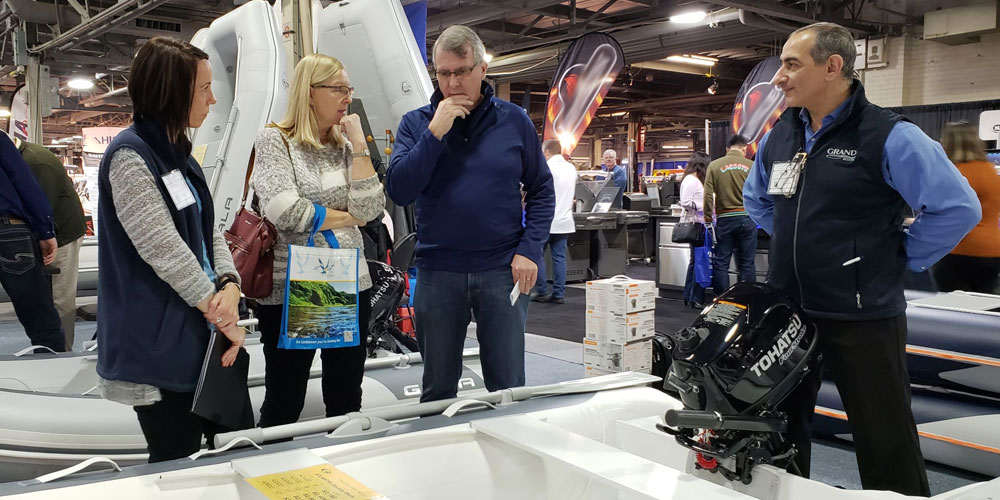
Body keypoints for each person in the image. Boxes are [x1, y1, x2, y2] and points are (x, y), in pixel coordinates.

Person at [743, 23, 981, 496]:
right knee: (779, 430)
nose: (778, 78)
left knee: (883, 434)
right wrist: (804, 242)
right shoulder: (781, 135)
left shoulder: (890, 136)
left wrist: (898, 258)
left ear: (833, 67)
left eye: (792, 64)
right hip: (790, 313)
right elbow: (757, 200)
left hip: (864, 316)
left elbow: (958, 208)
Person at [96, 37, 250, 462]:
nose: (212, 98)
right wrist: (220, 313)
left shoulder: (182, 155)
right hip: (160, 343)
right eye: (204, 88)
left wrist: (231, 284)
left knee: (240, 445)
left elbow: (207, 231)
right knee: (176, 460)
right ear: (171, 91)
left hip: (204, 333)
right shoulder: (130, 156)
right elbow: (163, 248)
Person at [386, 25, 554, 402]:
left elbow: (542, 188)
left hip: (501, 270)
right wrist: (435, 133)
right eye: (443, 73)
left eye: (461, 71)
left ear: (482, 69)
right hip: (437, 272)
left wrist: (529, 250)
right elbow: (399, 188)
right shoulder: (417, 124)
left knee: (508, 385)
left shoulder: (513, 121)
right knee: (438, 388)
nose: (452, 82)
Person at [251, 53, 385, 426]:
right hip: (295, 284)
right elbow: (285, 211)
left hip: (346, 281)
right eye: (338, 88)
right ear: (310, 93)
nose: (347, 96)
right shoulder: (276, 140)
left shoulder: (345, 145)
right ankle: (274, 471)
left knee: (345, 395)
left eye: (349, 88)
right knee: (285, 396)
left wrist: (359, 143)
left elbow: (372, 206)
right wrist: (347, 217)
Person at [17, 136, 87, 350]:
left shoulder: (36, 162)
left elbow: (41, 207)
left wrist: (41, 237)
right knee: (48, 298)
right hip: (49, 232)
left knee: (60, 298)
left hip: (63, 234)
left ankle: (62, 353)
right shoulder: (21, 160)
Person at [0, 132, 64, 353]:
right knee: (41, 319)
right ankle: (54, 377)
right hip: (9, 230)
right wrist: (45, 230)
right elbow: (24, 182)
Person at [931, 122, 1000, 293]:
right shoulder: (991, 171)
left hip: (957, 250)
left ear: (949, 143)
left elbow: (937, 211)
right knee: (983, 310)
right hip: (992, 251)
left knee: (950, 310)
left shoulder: (953, 172)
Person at [704, 134, 756, 296]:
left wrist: (707, 218)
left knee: (721, 262)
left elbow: (707, 195)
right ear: (744, 148)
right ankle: (746, 299)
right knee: (747, 263)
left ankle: (722, 299)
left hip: (724, 219)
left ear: (727, 149)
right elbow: (760, 192)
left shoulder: (714, 166)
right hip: (747, 218)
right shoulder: (751, 165)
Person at [531, 139, 576, 304]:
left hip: (546, 219)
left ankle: (541, 290)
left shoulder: (547, 167)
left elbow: (537, 190)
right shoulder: (571, 168)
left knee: (537, 254)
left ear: (547, 151)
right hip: (565, 220)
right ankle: (559, 293)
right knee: (559, 257)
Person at [679, 153, 709, 308]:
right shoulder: (692, 181)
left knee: (696, 261)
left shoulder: (692, 179)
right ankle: (695, 297)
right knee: (699, 261)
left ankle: (690, 296)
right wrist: (705, 207)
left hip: (699, 224)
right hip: (697, 224)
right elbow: (686, 202)